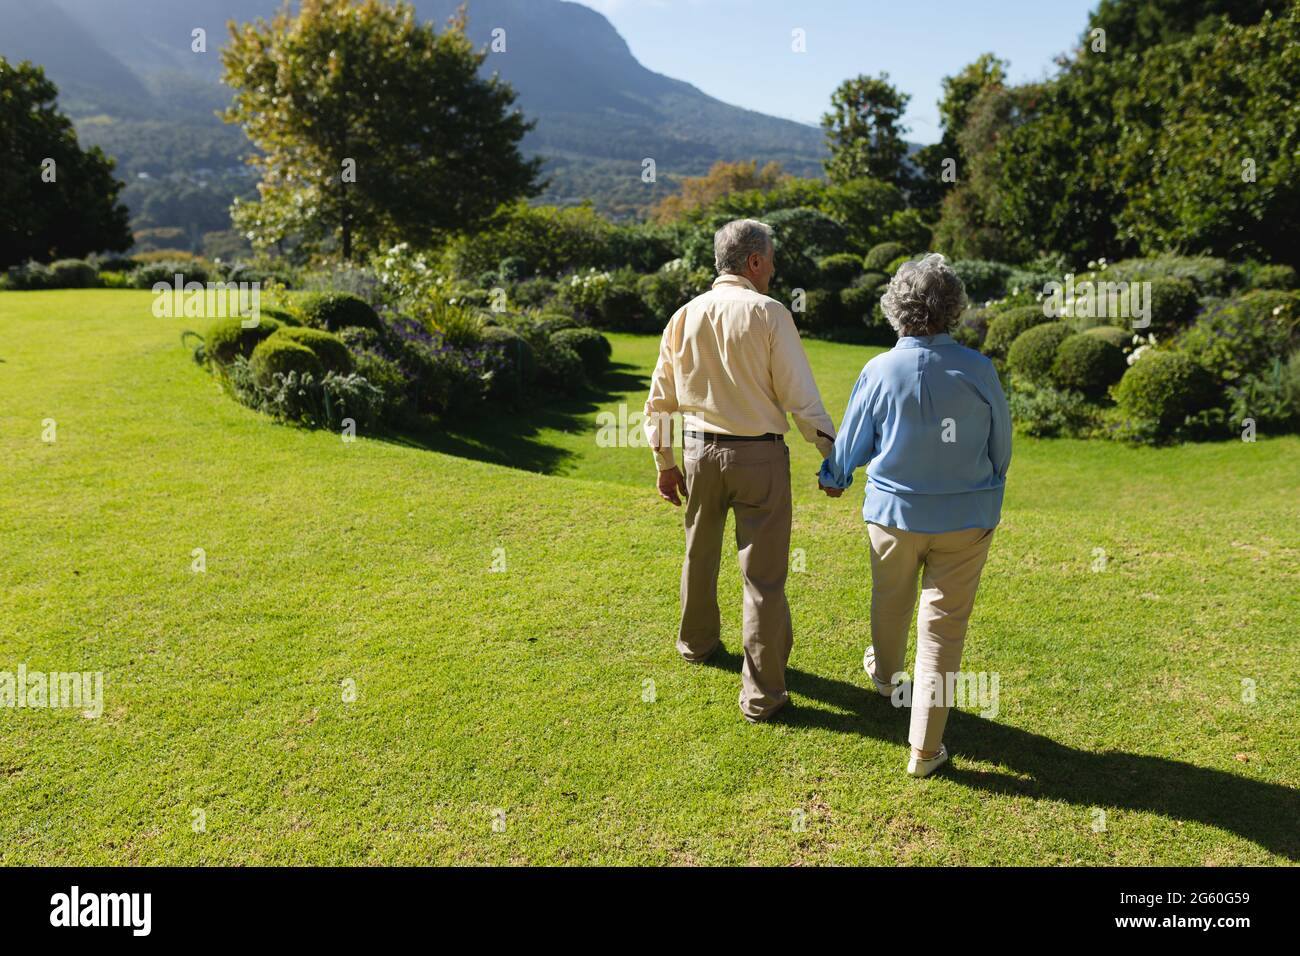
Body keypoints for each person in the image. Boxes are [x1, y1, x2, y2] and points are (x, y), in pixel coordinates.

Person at [819, 253, 1012, 776]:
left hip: (892, 515)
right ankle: (924, 750)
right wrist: (986, 485)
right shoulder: (979, 369)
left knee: (891, 598)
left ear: (897, 308)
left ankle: (884, 678)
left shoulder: (879, 369)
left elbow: (854, 440)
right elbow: (1002, 448)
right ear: (952, 308)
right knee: (944, 632)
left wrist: (834, 477)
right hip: (967, 518)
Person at [644, 219, 836, 722]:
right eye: (770, 259)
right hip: (759, 455)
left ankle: (697, 644)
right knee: (764, 579)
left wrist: (664, 463)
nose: (773, 268)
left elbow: (658, 402)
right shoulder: (770, 313)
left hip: (698, 453)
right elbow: (801, 399)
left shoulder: (682, 316)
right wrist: (831, 455)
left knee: (698, 554)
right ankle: (762, 694)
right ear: (753, 262)